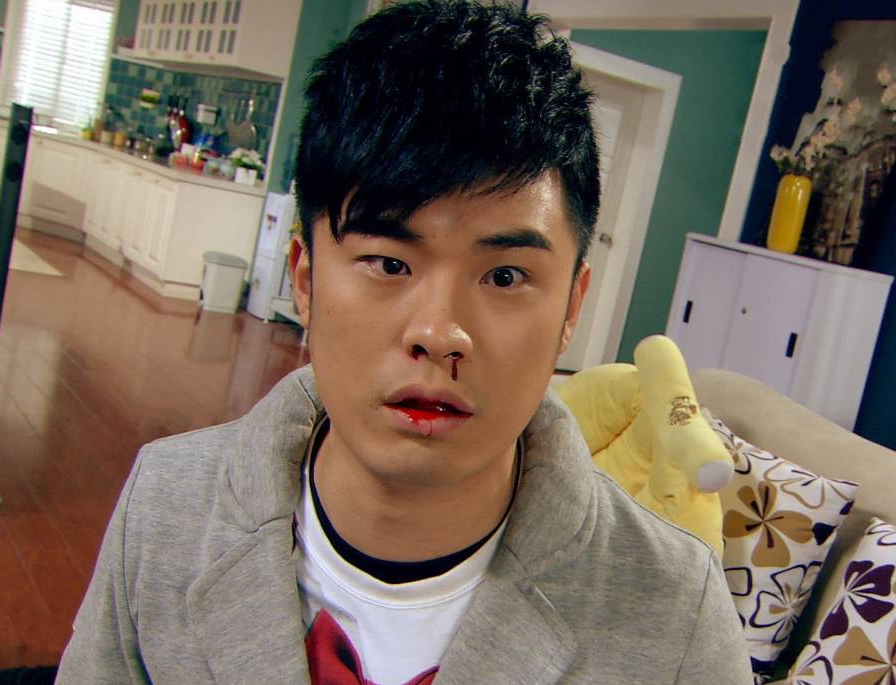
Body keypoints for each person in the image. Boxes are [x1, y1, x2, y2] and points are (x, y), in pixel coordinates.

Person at [56, 2, 751, 683]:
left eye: (505, 276)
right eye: (389, 263)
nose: (439, 334)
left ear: (572, 305)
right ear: (306, 279)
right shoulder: (166, 505)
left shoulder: (676, 614)